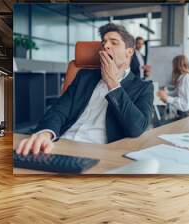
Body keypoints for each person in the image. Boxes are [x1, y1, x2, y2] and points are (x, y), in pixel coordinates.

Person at [16, 23, 154, 156]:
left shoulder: (143, 87)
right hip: (60, 144)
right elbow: (59, 110)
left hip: (99, 151)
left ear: (129, 52)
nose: (106, 46)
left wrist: (112, 83)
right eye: (104, 42)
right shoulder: (84, 76)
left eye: (114, 42)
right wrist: (46, 134)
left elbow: (137, 128)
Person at [157, 55, 189, 121]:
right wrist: (167, 94)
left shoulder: (187, 79)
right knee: (162, 122)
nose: (172, 67)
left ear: (177, 65)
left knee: (161, 125)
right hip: (187, 112)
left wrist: (167, 98)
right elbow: (178, 93)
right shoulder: (183, 77)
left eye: (173, 65)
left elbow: (185, 105)